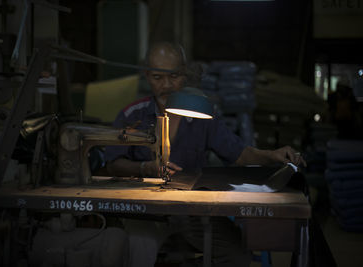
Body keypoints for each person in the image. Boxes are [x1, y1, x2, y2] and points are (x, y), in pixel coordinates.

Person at [104, 41, 306, 267]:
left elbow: (239, 153)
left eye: (175, 76)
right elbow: (112, 164)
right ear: (146, 76)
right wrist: (145, 169)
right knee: (134, 253)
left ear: (186, 73)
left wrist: (272, 155)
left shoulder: (201, 116)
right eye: (157, 78)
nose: (167, 85)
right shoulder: (132, 116)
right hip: (143, 212)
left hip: (191, 212)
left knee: (237, 255)